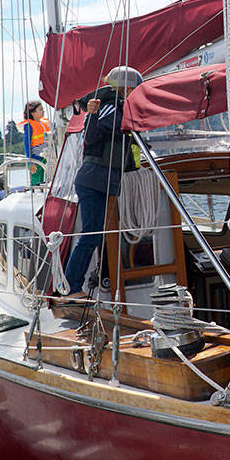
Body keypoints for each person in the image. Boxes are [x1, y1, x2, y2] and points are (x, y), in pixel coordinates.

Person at [61, 65, 143, 306]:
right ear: (127, 89)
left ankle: (72, 286)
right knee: (91, 235)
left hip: (101, 180)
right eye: (134, 90)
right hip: (93, 179)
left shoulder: (118, 108)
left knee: (94, 234)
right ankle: (71, 287)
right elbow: (91, 138)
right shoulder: (108, 107)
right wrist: (93, 115)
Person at [22, 100, 51, 186]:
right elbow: (27, 145)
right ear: (33, 112)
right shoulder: (29, 125)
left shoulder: (45, 123)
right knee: (37, 183)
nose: (43, 111)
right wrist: (30, 162)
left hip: (47, 157)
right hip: (36, 159)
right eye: (41, 109)